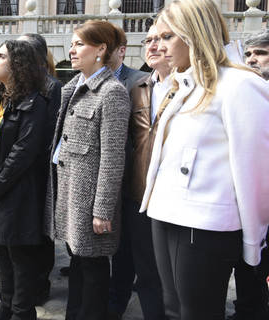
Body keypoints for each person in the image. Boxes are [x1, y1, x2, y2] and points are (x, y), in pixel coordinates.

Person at [141, 1, 269, 319]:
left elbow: (256, 169)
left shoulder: (241, 85)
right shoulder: (183, 85)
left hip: (206, 223)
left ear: (194, 34)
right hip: (164, 212)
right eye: (156, 37)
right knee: (172, 310)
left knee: (198, 313)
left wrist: (254, 241)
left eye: (168, 36)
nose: (158, 46)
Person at [45, 20, 130, 320]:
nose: (72, 50)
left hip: (90, 202)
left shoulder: (112, 92)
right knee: (77, 265)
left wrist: (103, 210)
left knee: (93, 270)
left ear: (101, 49)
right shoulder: (74, 87)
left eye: (79, 44)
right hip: (70, 194)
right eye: (72, 44)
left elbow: (112, 156)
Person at [0, 40, 50, 320]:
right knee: (2, 252)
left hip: (18, 192)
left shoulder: (35, 102)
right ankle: (5, 305)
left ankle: (22, 311)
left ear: (18, 64)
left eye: (2, 56)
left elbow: (24, 152)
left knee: (20, 258)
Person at [108, 24, 171, 320]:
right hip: (137, 195)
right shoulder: (138, 88)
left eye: (164, 38)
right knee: (139, 270)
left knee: (169, 278)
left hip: (176, 201)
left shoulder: (199, 90)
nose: (154, 45)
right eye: (149, 40)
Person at [225, 31, 269, 320]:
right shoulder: (243, 91)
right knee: (247, 266)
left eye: (261, 53)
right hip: (246, 201)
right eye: (249, 54)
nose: (252, 59)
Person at [18, 32, 62, 305]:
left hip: (41, 170)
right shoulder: (21, 84)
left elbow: (50, 132)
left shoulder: (52, 86)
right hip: (22, 170)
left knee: (42, 231)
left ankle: (41, 282)